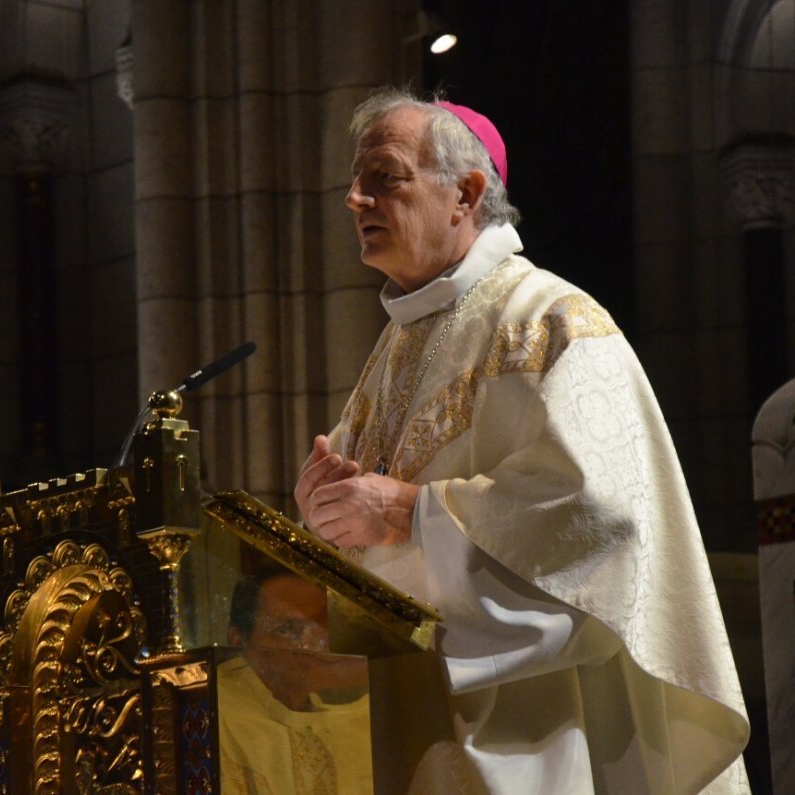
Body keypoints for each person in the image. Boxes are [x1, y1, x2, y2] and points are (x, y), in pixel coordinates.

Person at [294, 88, 751, 793]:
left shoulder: (552, 320)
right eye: (355, 181)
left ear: (465, 193)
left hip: (537, 731)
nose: (355, 199)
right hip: (409, 715)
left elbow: (597, 518)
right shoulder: (392, 349)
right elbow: (370, 538)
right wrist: (318, 522)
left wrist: (413, 512)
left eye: (383, 176)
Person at [217, 570, 373, 794]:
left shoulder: (349, 724)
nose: (312, 644)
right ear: (238, 639)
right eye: (288, 630)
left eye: (320, 627)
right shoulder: (218, 715)